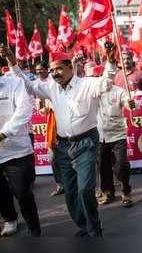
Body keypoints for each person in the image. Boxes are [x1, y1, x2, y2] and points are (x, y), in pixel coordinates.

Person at [2, 46, 116, 238]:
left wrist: (110, 62)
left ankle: (94, 228)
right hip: (63, 147)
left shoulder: (87, 84)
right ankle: (84, 225)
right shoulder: (51, 88)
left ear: (70, 66)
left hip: (86, 143)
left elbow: (106, 83)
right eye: (52, 70)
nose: (54, 73)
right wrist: (13, 62)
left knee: (84, 190)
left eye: (58, 69)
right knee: (71, 194)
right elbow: (26, 85)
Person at [0, 68, 41, 237]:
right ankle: (10, 219)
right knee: (0, 193)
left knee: (23, 193)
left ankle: (34, 228)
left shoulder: (14, 83)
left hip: (16, 151)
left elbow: (24, 109)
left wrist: (4, 133)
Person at [92, 65, 136, 207]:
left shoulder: (119, 91)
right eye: (99, 78)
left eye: (107, 78)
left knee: (121, 164)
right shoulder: (93, 93)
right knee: (103, 166)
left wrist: (131, 104)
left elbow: (129, 104)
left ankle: (126, 190)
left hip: (118, 134)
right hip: (100, 135)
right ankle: (108, 192)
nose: (104, 81)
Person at [35, 62, 64, 196]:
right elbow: (40, 110)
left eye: (41, 69)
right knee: (52, 158)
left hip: (65, 123)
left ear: (48, 70)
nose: (39, 72)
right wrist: (44, 109)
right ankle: (60, 184)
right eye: (37, 71)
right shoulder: (37, 86)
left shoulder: (56, 81)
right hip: (52, 125)